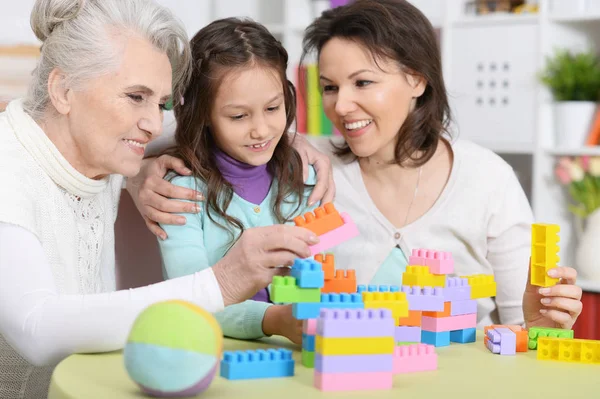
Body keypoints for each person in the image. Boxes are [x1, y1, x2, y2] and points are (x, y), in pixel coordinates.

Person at [132, 0, 582, 331]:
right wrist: (139, 172)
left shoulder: (487, 179)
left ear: (417, 78)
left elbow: (525, 325)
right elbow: (206, 124)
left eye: (362, 82)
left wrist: (541, 324)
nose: (341, 106)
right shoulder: (303, 162)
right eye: (328, 87)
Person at [0, 1, 326, 397]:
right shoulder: (9, 170)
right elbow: (38, 330)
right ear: (63, 90)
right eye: (136, 96)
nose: (154, 122)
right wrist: (221, 282)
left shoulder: (98, 143)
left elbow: (203, 120)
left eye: (161, 103)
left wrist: (290, 139)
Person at [157, 18, 319, 345]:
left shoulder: (302, 176)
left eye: (273, 108)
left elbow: (317, 275)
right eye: (238, 116)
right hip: (211, 353)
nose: (260, 130)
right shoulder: (181, 193)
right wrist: (274, 320)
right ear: (203, 113)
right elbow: (191, 297)